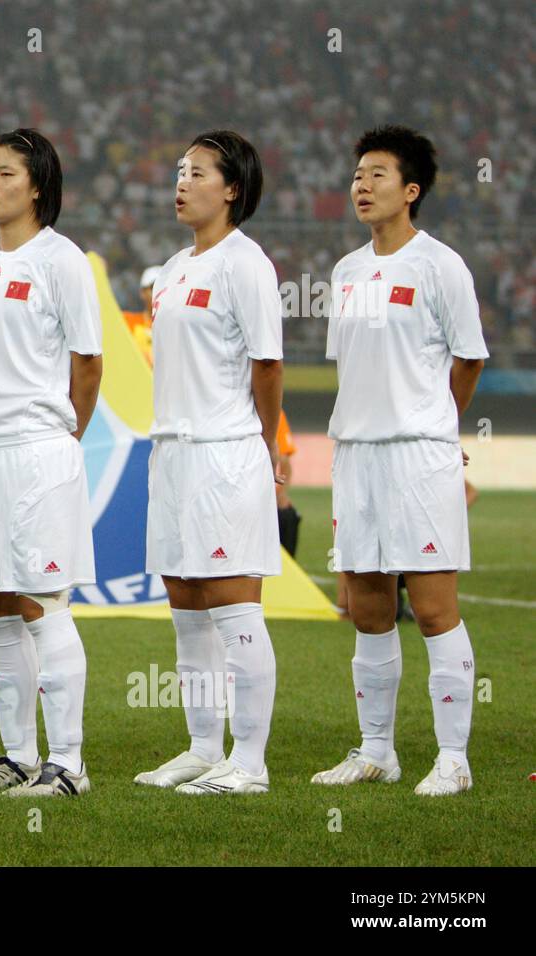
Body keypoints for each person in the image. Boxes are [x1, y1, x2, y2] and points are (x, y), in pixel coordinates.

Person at [313, 125, 487, 796]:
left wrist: (436, 421)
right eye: (358, 174)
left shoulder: (441, 266)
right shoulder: (347, 271)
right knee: (370, 610)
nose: (362, 184)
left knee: (437, 609)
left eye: (377, 174)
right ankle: (378, 752)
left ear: (410, 190)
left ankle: (454, 760)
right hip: (356, 455)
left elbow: (467, 357)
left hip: (418, 458)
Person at [0, 128, 103, 798]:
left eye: (4, 172)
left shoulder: (62, 259)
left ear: (37, 184)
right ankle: (17, 756)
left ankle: (68, 763)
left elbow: (88, 361)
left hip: (36, 450)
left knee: (43, 600)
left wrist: (66, 434)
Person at [136, 129, 284, 796]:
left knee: (233, 607)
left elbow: (268, 363)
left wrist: (258, 437)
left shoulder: (245, 264)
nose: (181, 181)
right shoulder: (172, 269)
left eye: (197, 172)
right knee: (187, 608)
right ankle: (203, 747)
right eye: (179, 168)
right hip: (172, 455)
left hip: (225, 453)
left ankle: (249, 762)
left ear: (231, 189)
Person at [276, 409, 300, 556]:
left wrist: (279, 494)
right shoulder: (273, 411)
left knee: (286, 514)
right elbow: (284, 461)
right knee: (287, 516)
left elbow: (284, 462)